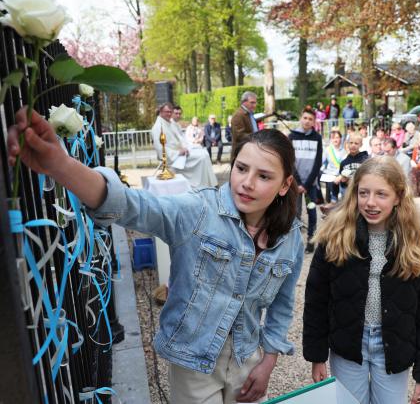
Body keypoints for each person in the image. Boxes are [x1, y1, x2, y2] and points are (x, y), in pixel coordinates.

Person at [8, 109, 305, 404]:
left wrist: (268, 362)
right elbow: (132, 205)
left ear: (284, 185)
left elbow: (282, 304)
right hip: (193, 361)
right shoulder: (199, 211)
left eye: (264, 176)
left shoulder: (290, 237)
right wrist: (60, 165)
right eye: (241, 168)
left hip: (246, 359)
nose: (247, 182)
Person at [303, 156, 420, 404]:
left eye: (381, 194)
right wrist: (317, 355)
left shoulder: (418, 247)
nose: (370, 202)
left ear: (398, 197)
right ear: (354, 194)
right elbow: (316, 298)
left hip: (393, 345)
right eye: (364, 193)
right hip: (348, 343)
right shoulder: (335, 238)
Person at [152, 103, 217, 188]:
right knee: (203, 157)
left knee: (204, 153)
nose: (169, 114)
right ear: (160, 112)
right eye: (167, 112)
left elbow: (180, 139)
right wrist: (179, 152)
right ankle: (203, 186)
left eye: (170, 112)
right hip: (173, 158)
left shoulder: (168, 123)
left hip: (181, 154)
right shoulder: (158, 127)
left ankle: (209, 184)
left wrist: (185, 148)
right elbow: (160, 149)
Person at [288, 106, 323, 254]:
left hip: (311, 185)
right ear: (300, 118)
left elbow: (318, 162)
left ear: (314, 122)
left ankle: (311, 240)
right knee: (294, 213)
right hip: (295, 184)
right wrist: (298, 183)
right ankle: (294, 243)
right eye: (305, 118)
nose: (307, 121)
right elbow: (289, 161)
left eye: (311, 119)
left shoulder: (317, 138)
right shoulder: (292, 136)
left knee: (312, 211)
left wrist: (307, 184)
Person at [321, 130, 347, 203]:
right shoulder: (328, 150)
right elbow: (321, 162)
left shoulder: (344, 150)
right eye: (333, 138)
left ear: (341, 138)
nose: (335, 139)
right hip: (330, 174)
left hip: (341, 175)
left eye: (337, 137)